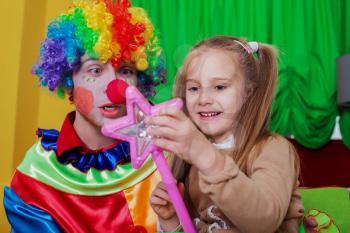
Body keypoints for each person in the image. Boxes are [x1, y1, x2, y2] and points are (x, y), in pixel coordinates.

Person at [3, 0, 166, 232]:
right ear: (69, 78)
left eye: (126, 70)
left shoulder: (165, 156)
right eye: (95, 70)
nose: (113, 86)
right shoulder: (36, 175)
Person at [147, 35, 304, 233]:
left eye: (220, 87)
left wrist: (204, 155)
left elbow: (264, 222)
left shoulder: (273, 149)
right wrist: (171, 219)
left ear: (248, 91)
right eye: (194, 88)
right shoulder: (187, 158)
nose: (203, 99)